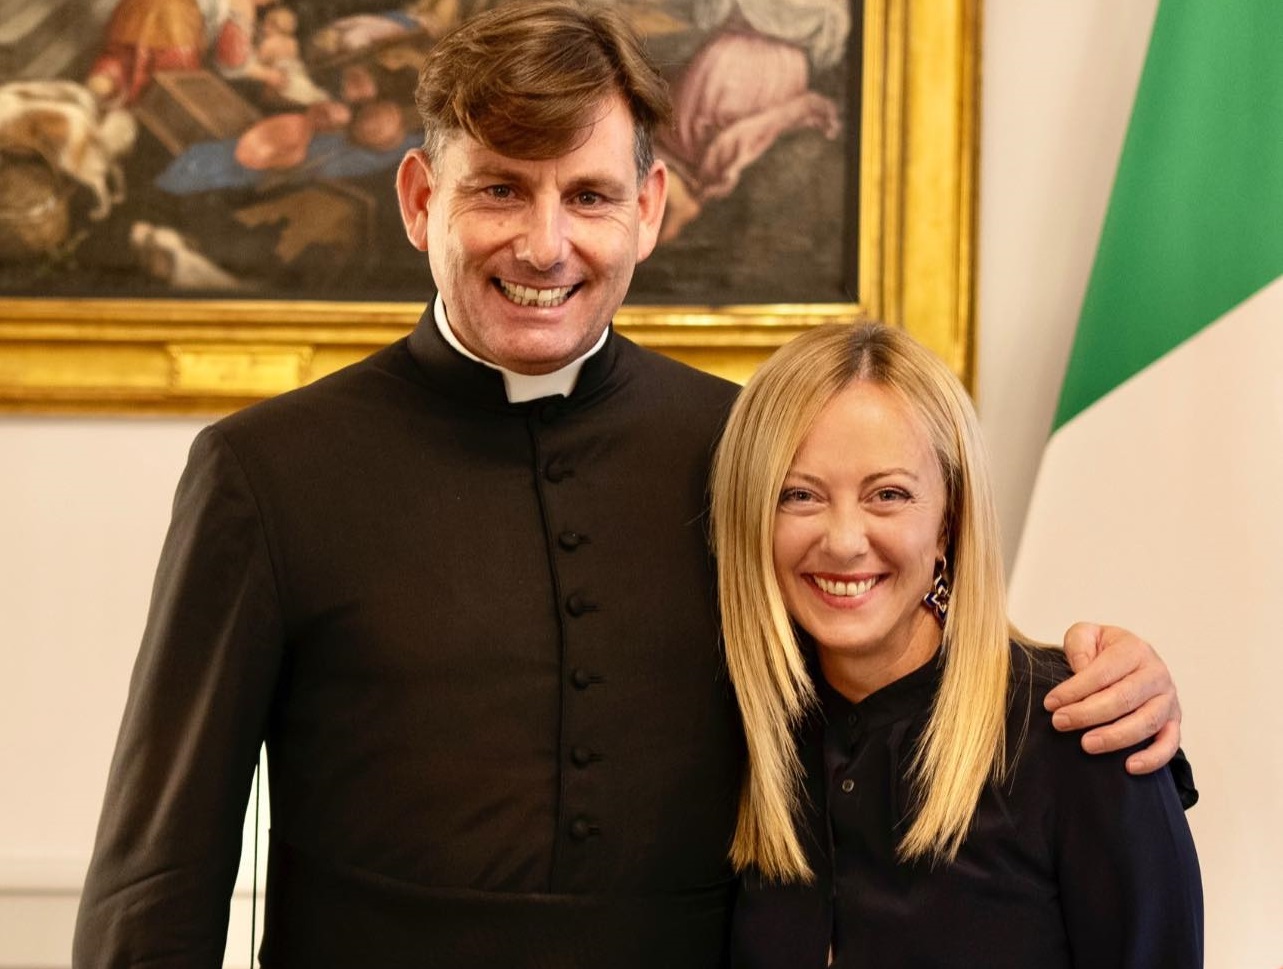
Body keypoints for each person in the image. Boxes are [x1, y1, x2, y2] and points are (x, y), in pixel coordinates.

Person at [73, 3, 1185, 966]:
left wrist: (1105, 690)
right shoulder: (266, 471)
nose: (544, 243)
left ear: (648, 208)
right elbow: (160, 870)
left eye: (589, 195)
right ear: (419, 199)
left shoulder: (748, 450)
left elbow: (878, 662)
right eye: (499, 190)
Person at [710, 322, 1202, 968]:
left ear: (949, 521)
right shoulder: (737, 733)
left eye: (888, 495)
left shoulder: (1081, 730)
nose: (844, 540)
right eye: (798, 495)